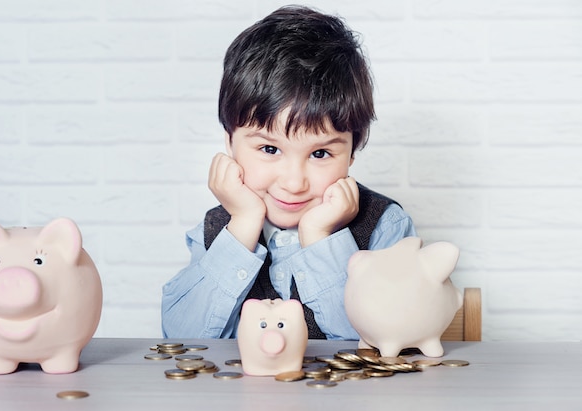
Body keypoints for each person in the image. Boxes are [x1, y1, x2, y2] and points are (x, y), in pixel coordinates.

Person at [161, 5, 416, 340]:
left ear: (352, 152)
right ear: (230, 142)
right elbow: (181, 337)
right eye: (269, 149)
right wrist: (243, 226)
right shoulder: (217, 231)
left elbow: (381, 339)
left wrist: (320, 238)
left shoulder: (385, 226)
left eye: (321, 153)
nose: (294, 183)